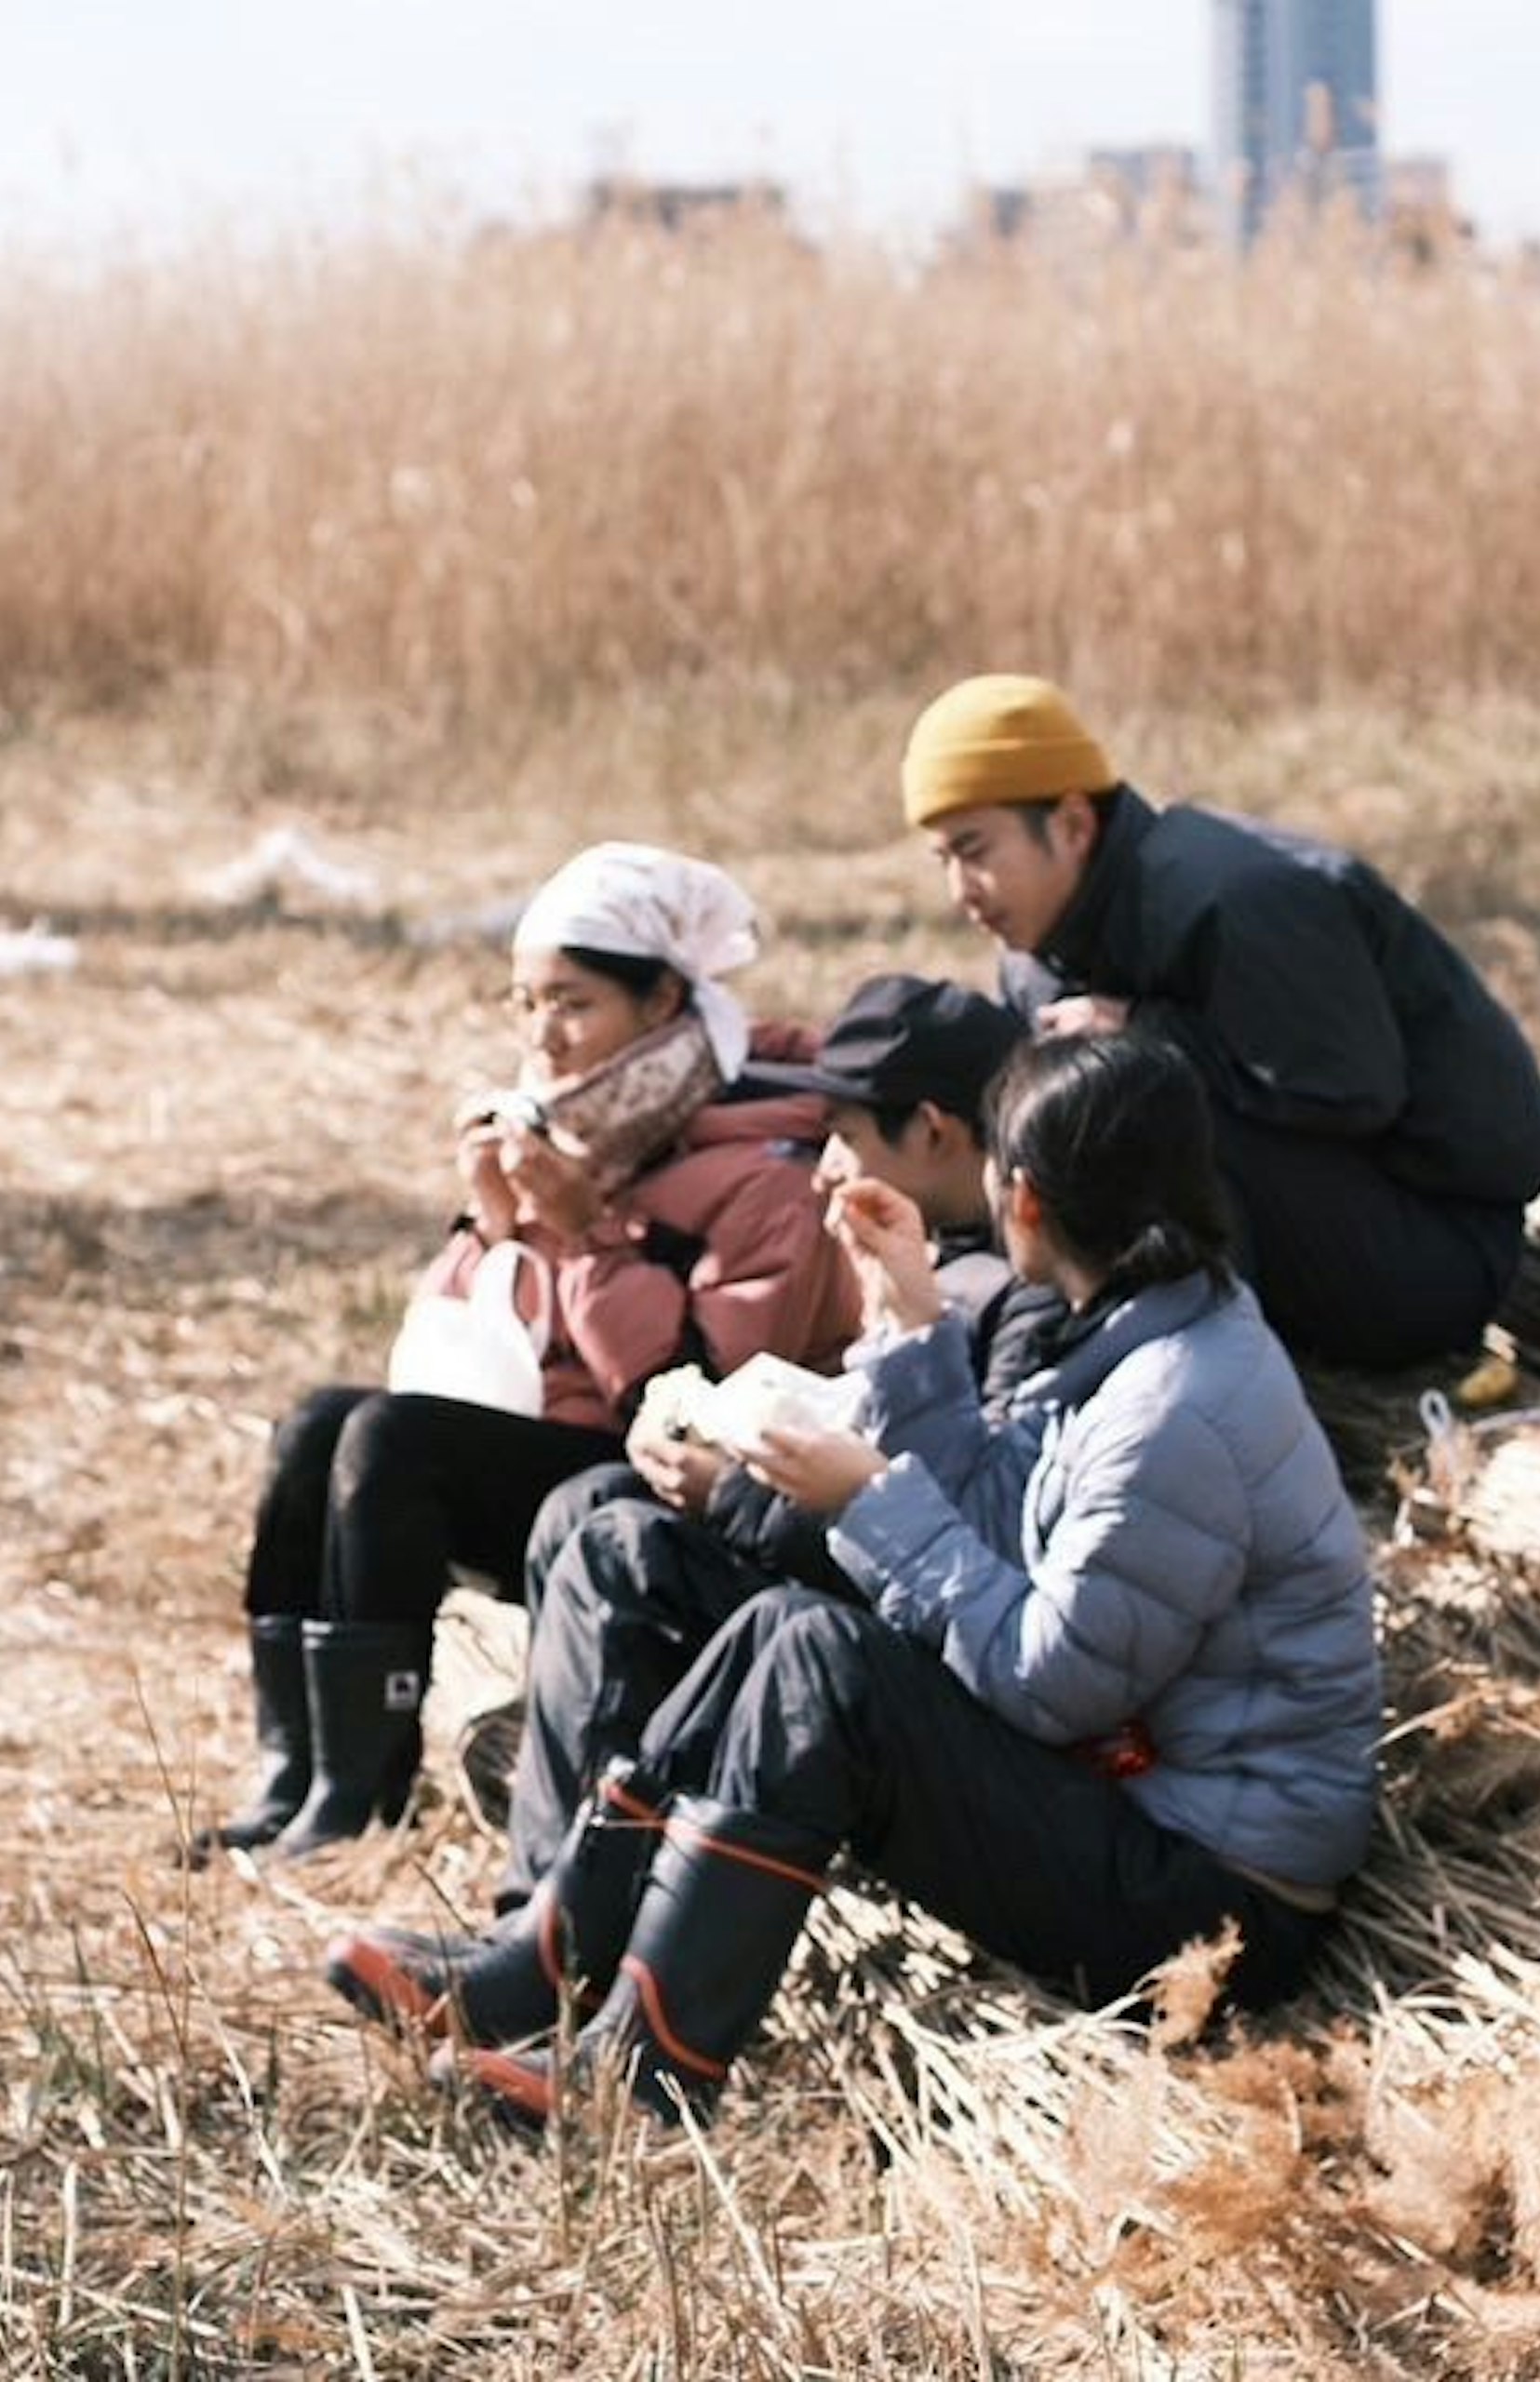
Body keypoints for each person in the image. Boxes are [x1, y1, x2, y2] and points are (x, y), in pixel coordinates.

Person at [328, 1032, 1379, 2129]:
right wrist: (912, 1322)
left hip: (1211, 1903)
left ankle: (639, 2075)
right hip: (1133, 1801)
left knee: (822, 1660)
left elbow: (1055, 1684)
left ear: (1019, 1198)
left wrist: (872, 1499)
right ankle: (556, 1951)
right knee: (781, 1622)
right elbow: (1002, 1525)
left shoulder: (1177, 1401)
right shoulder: (1137, 1324)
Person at [198, 843, 861, 1862]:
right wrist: (497, 1226)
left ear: (661, 1004)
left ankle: (360, 1795)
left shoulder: (766, 1166)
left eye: (573, 1002)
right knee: (315, 1425)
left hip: (647, 1481)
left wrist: (585, 1230)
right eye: (524, 1002)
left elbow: (693, 1402)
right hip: (552, 1430)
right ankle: (298, 1765)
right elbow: (456, 1348)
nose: (544, 1034)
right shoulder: (557, 1125)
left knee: (389, 1438)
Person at [474, 973, 1069, 1909]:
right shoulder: (928, 1251)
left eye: (846, 1137)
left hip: (909, 1640)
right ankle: (550, 1896)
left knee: (618, 1546)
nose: (823, 1167)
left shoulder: (1025, 1291)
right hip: (857, 1574)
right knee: (586, 1506)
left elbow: (960, 1532)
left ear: (936, 1133)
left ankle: (569, 1913)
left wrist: (737, 1494)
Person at [899, 673, 1540, 1375]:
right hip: (1322, 1220)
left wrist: (1148, 1031)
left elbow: (1352, 1092)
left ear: (1071, 825)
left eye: (975, 852)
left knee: (1137, 1108)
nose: (959, 893)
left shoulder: (1240, 900)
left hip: (1437, 1250)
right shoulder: (1036, 954)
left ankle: (1198, 1385)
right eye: (943, 860)